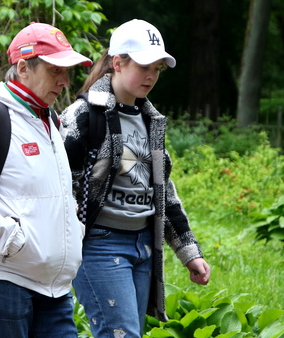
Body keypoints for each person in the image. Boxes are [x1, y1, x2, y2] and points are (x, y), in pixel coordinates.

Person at [60, 19, 211, 338]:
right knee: (122, 333)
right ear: (117, 62)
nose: (151, 76)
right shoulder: (83, 116)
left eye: (157, 68)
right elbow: (58, 185)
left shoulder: (151, 120)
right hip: (99, 246)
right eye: (144, 66)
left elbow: (164, 193)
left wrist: (189, 253)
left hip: (144, 246)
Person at [0, 22, 91, 337]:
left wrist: (72, 235)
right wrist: (15, 242)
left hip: (54, 288)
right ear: (23, 67)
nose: (65, 82)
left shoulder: (50, 119)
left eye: (67, 73)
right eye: (55, 71)